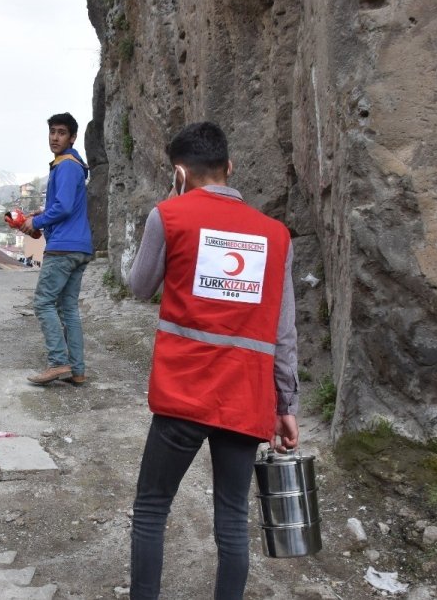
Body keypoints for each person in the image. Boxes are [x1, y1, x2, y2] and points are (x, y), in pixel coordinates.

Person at [126, 122, 299, 600]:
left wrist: (168, 204)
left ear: (180, 173)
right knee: (232, 520)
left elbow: (139, 286)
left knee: (152, 509)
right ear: (231, 167)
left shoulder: (170, 216)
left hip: (183, 395)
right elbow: (284, 332)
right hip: (246, 398)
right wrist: (286, 404)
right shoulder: (276, 235)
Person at [20, 113, 95, 386]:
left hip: (63, 248)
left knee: (42, 302)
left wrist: (36, 221)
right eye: (52, 132)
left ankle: (57, 362)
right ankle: (77, 370)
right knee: (68, 308)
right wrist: (44, 212)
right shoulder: (75, 166)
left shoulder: (65, 166)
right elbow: (66, 205)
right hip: (81, 247)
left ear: (72, 137)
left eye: (61, 132)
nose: (55, 137)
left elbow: (62, 208)